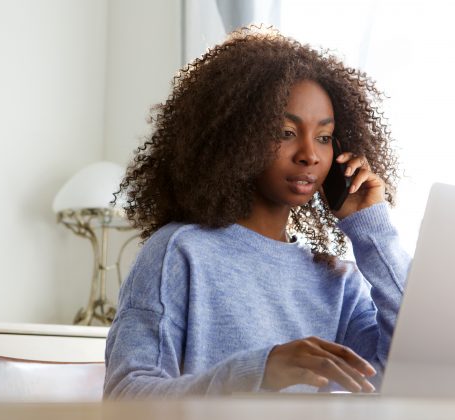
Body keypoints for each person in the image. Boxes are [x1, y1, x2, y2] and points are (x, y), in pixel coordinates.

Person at [103, 26, 410, 398]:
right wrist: (259, 371)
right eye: (285, 132)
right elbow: (125, 395)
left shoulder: (336, 281)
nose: (309, 154)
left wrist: (371, 229)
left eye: (324, 138)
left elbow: (402, 375)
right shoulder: (181, 252)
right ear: (238, 138)